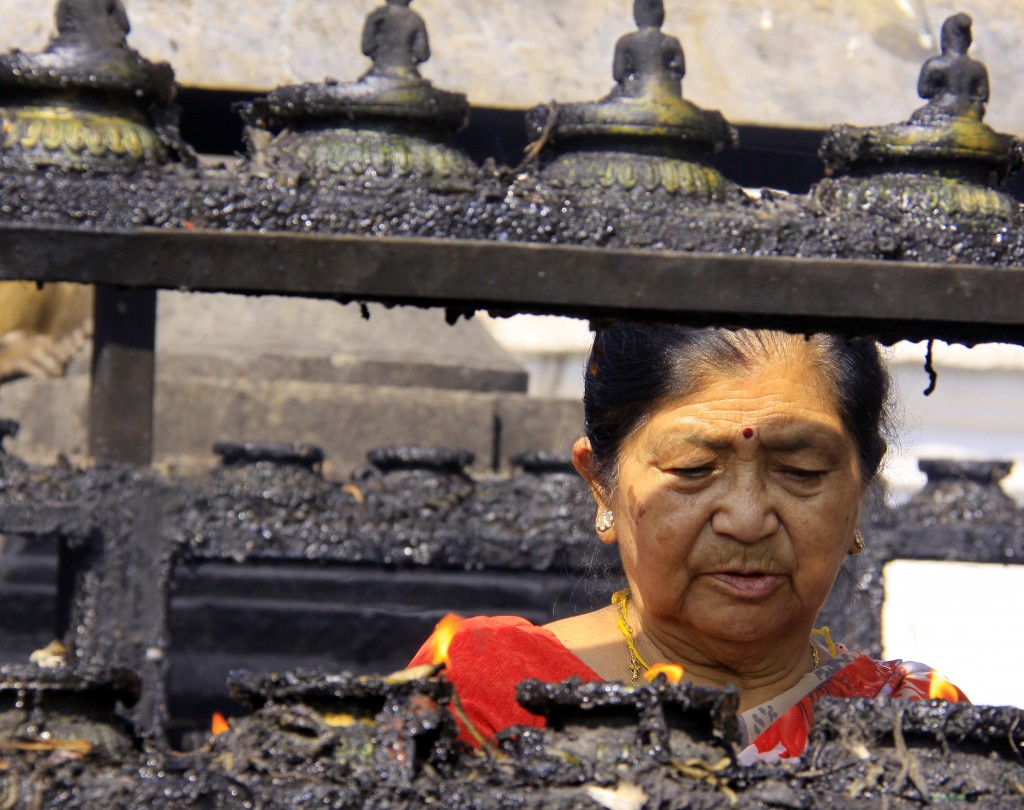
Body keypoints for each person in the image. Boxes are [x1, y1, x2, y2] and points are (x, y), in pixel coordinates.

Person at [408, 324, 968, 764]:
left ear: (862, 487)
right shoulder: (484, 695)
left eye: (801, 471)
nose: (747, 522)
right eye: (693, 468)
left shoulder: (920, 726)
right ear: (601, 482)